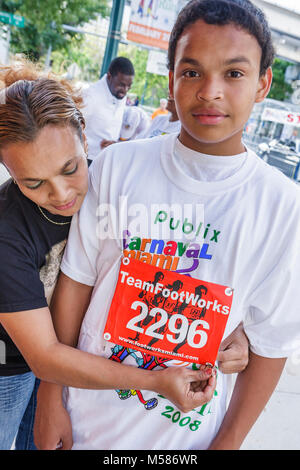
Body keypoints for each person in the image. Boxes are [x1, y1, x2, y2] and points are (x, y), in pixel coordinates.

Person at [33, 0, 300, 451]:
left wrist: (229, 441)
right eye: (191, 71)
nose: (210, 91)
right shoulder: (118, 166)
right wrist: (51, 394)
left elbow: (271, 341)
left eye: (234, 74)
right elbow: (76, 282)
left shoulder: (282, 206)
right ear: (171, 76)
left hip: (187, 440)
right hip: (84, 419)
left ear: (263, 83)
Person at [0, 60, 237, 451]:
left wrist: (236, 333)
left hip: (79, 364)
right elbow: (44, 357)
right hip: (11, 365)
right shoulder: (7, 232)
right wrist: (156, 382)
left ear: (85, 137)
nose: (61, 194)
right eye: (34, 183)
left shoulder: (116, 189)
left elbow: (174, 267)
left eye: (70, 168)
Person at [82, 57, 135, 159]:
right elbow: (71, 128)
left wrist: (115, 144)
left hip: (107, 159)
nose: (125, 90)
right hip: (86, 159)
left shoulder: (118, 94)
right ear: (109, 77)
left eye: (129, 86)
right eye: (122, 85)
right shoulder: (90, 96)